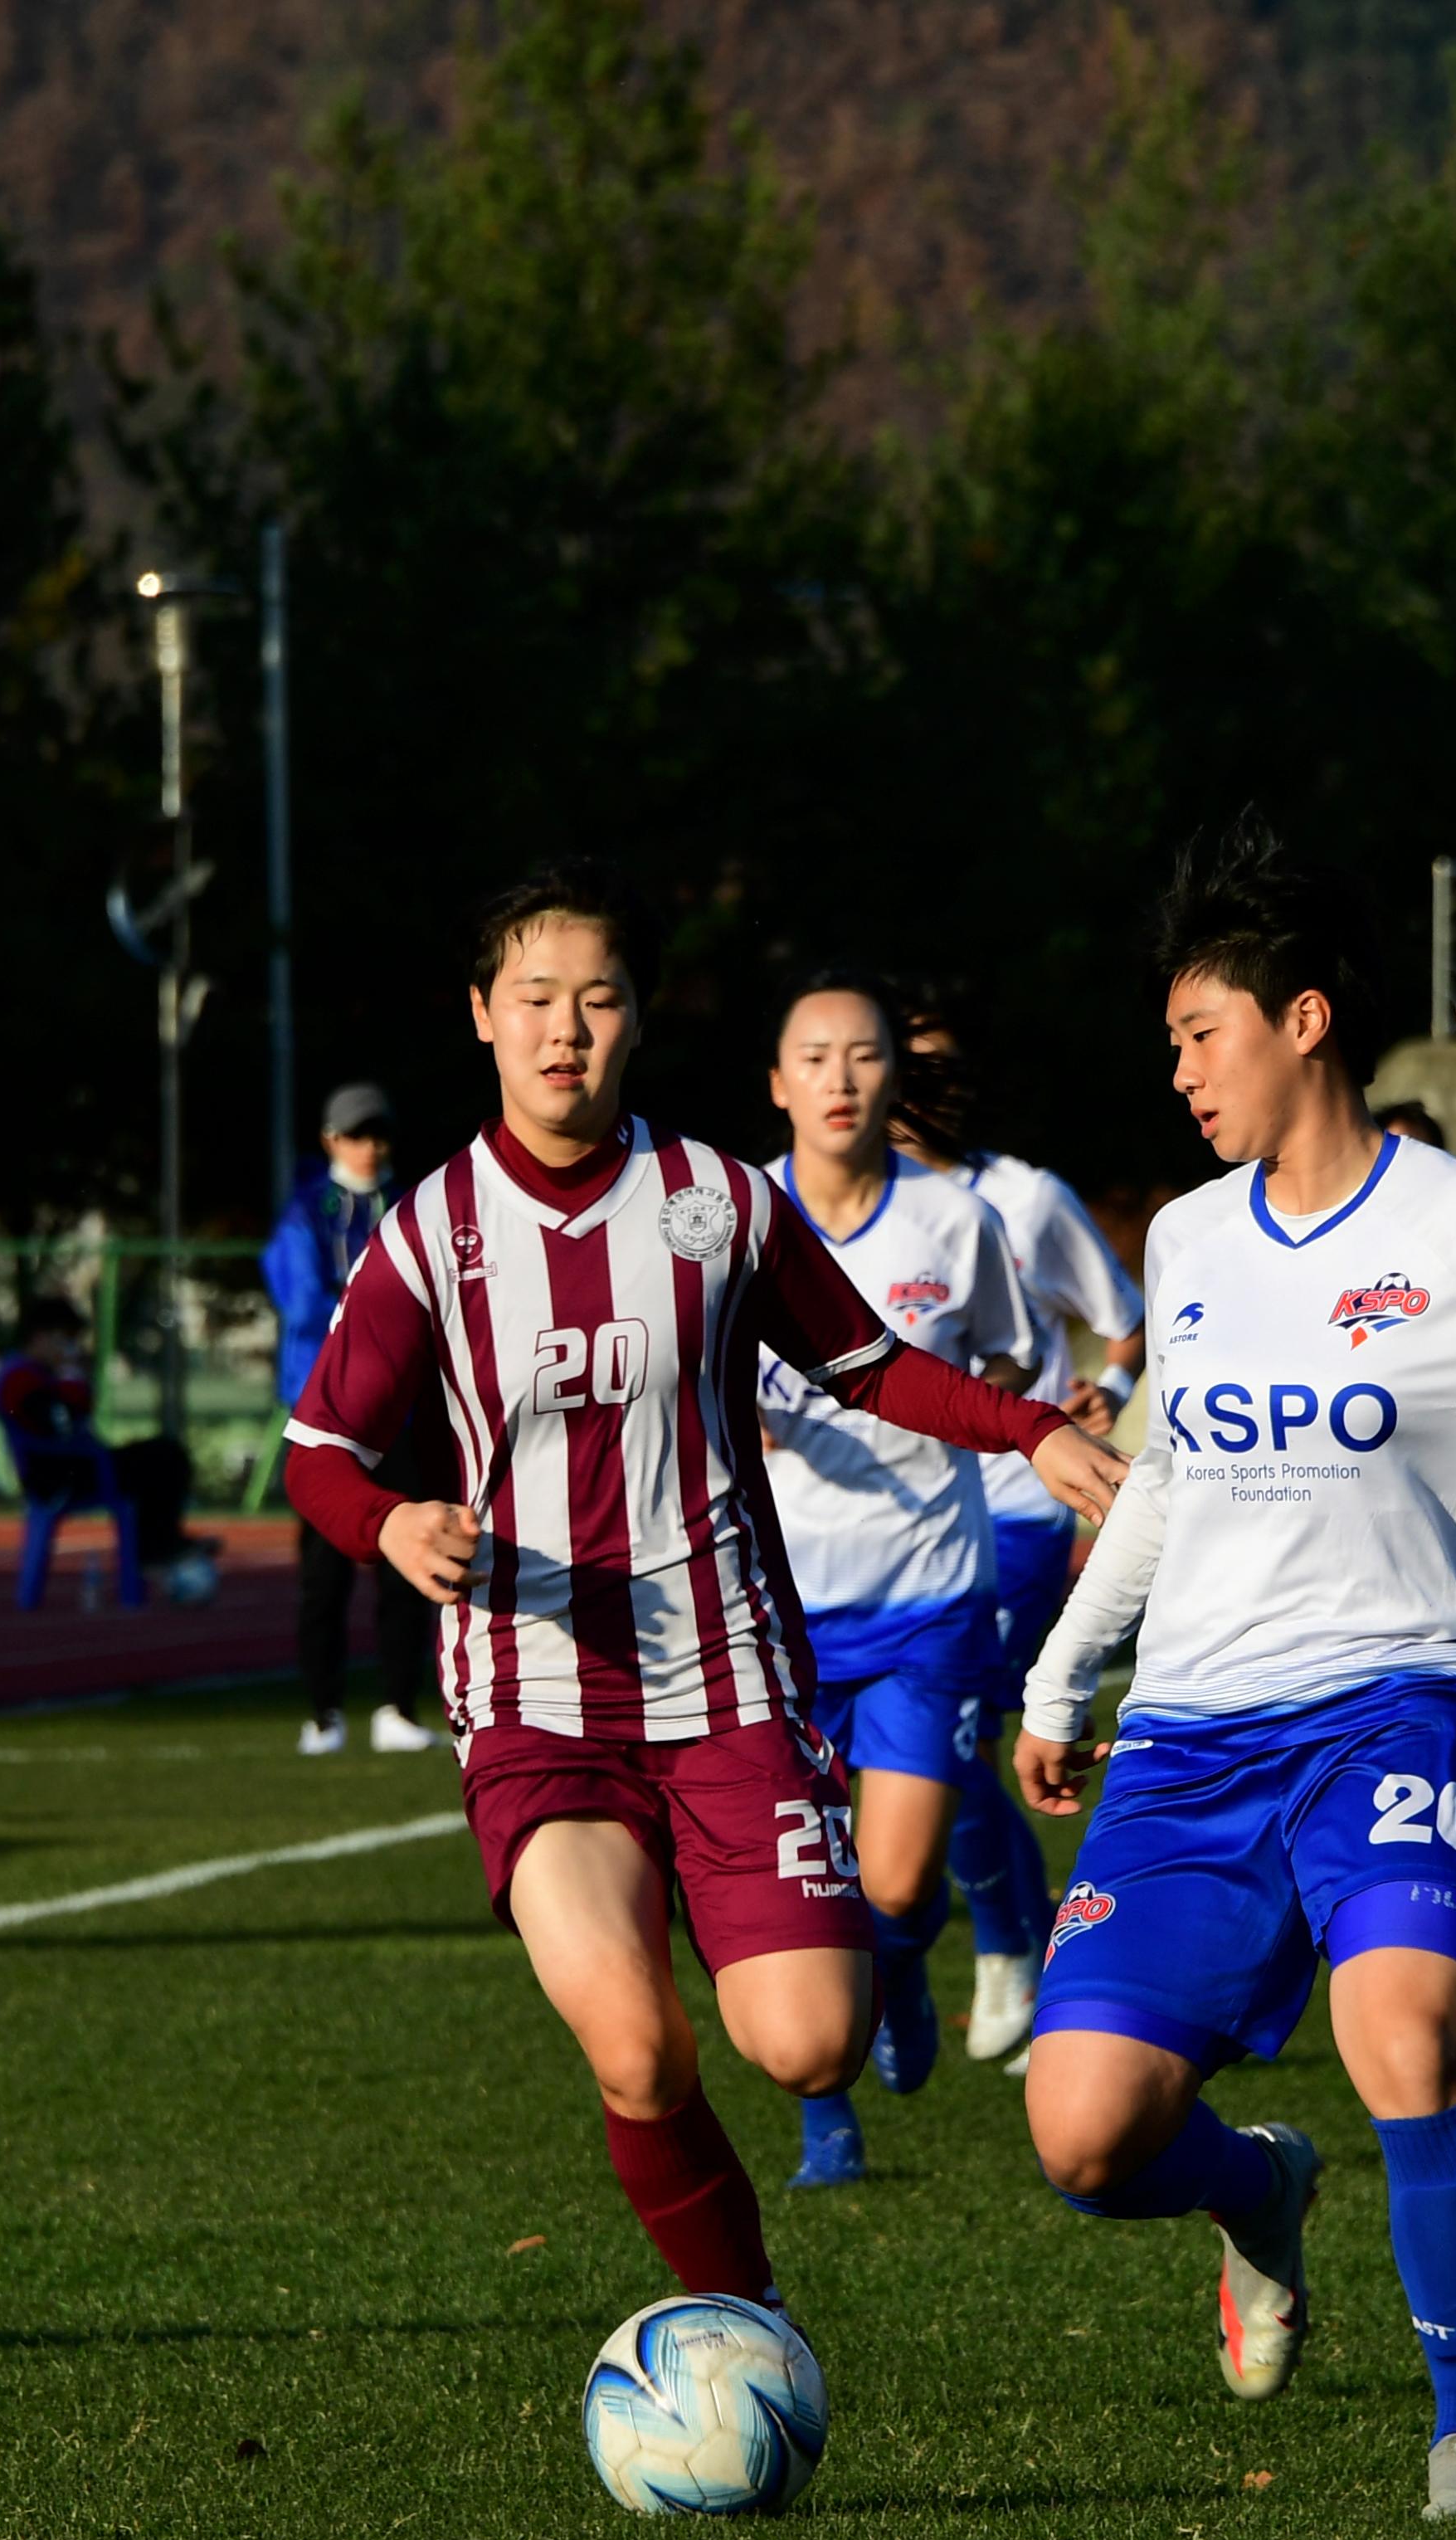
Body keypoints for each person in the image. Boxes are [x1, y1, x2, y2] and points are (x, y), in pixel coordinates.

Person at [280, 861, 1124, 2347]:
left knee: (807, 2042)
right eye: (533, 1000)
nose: (564, 1031)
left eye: (596, 999)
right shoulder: (429, 1231)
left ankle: (842, 2064)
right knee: (634, 2046)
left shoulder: (717, 1203)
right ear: (481, 1017)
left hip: (727, 1691)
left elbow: (870, 1365)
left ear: (638, 1019)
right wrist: (389, 1517)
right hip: (536, 1700)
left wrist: (1032, 1426)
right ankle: (748, 2320)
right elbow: (315, 1449)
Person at [1010, 815, 1456, 2520]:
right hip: (1189, 1737)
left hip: (1405, 1697)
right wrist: (1060, 1678)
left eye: (1200, 1032)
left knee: (1402, 2026)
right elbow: (1172, 1474)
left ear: (1303, 1019)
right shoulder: (1186, 1241)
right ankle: (1258, 2190)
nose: (1176, 1067)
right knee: (1082, 2137)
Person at [760, 972, 1041, 2187]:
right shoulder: (728, 1219)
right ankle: (829, 2116)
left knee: (895, 1878)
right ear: (777, 1084)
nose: (839, 1078)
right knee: (796, 1896)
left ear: (896, 1076)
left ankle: (901, 1977)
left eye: (864, 1055)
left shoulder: (955, 1222)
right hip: (771, 1612)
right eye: (813, 1057)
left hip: (927, 1594)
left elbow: (1010, 1361)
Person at [891, 1007, 1143, 2068]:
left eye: (929, 1070)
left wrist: (1108, 1390)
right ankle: (1001, 1946)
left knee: (963, 1744)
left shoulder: (1024, 1197)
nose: (907, 1091)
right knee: (927, 1753)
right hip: (894, 1529)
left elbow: (1124, 1315)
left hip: (1021, 1508)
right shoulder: (831, 1206)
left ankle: (1014, 1951)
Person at [264, 1085, 439, 1754]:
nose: (369, 1149)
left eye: (379, 1135)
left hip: (407, 1409)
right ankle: (323, 1711)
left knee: (408, 1561)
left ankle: (397, 1705)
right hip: (328, 1413)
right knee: (323, 1573)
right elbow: (302, 1300)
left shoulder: (414, 1204)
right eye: (356, 1135)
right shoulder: (307, 1211)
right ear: (331, 1140)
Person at [0, 1294, 218, 1607]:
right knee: (161, 1458)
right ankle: (155, 1547)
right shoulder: (18, 1378)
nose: (73, 1349)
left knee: (164, 1454)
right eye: (67, 1340)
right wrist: (71, 1376)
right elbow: (62, 1419)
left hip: (79, 1465)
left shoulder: (40, 1375)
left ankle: (157, 1542)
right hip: (59, 1475)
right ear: (43, 1336)